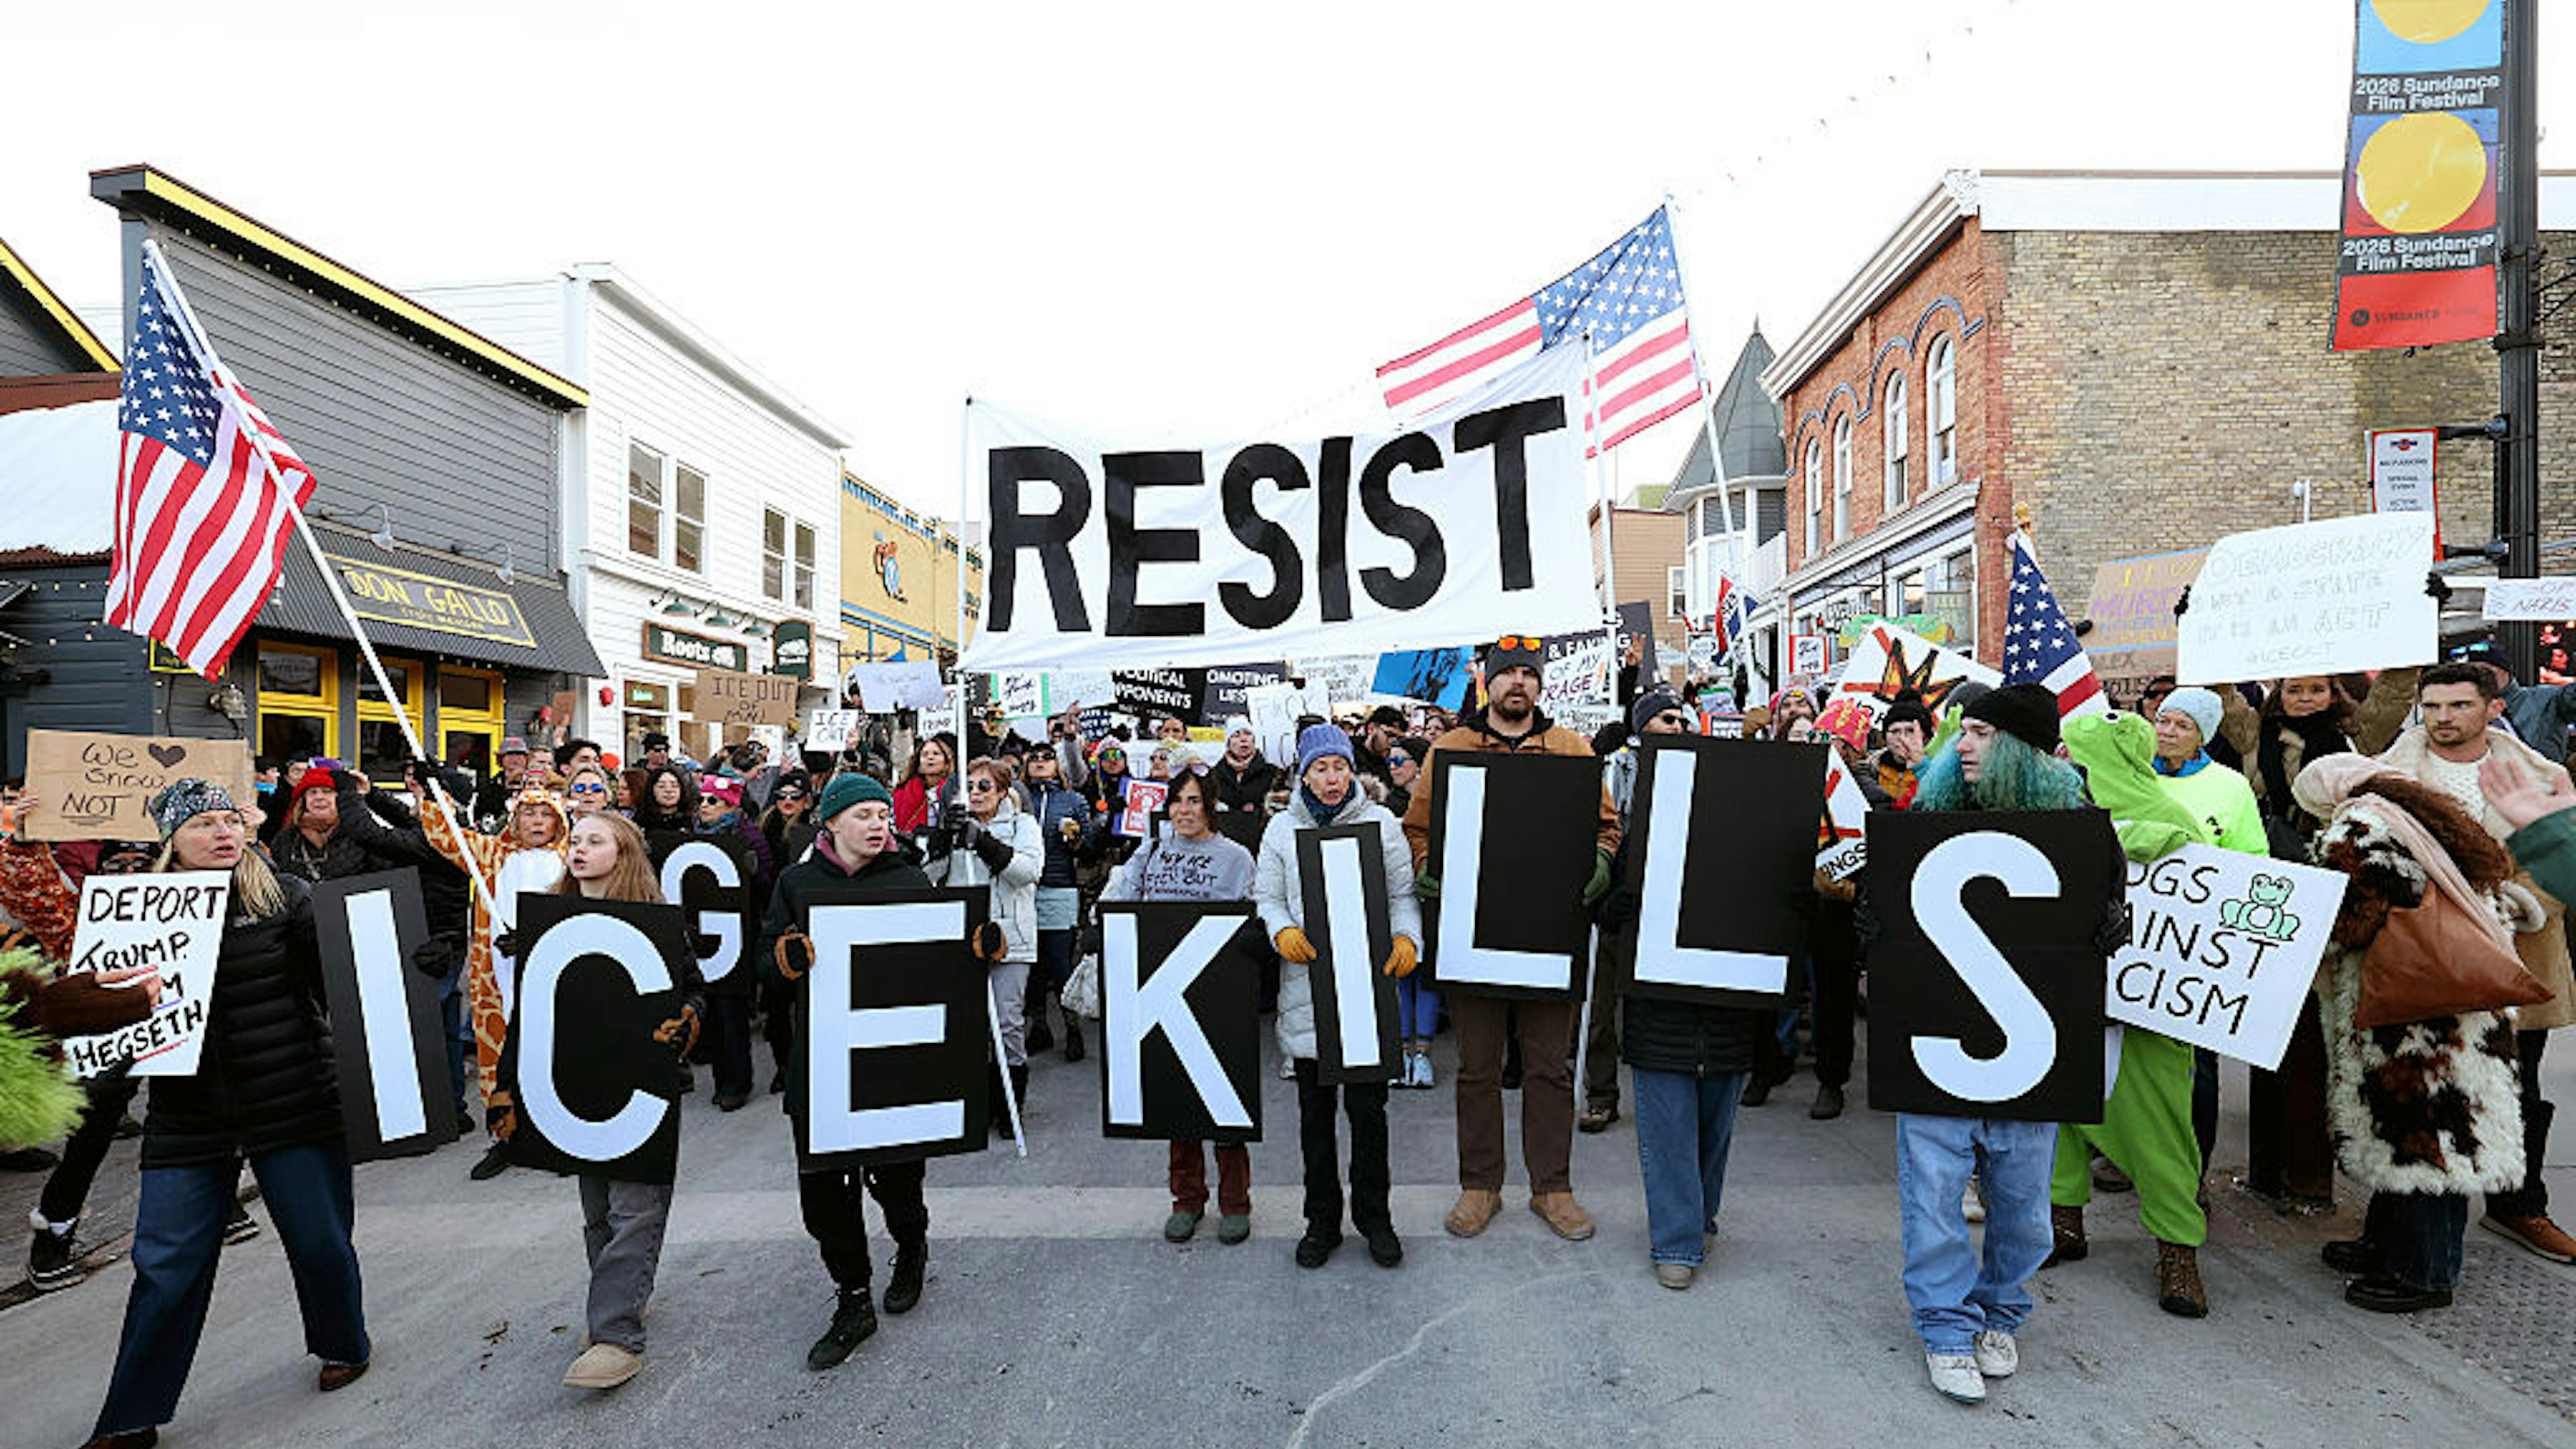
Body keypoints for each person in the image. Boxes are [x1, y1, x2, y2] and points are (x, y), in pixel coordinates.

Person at [84, 781, 372, 1448]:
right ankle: (131, 1414)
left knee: (320, 1242)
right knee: (164, 1265)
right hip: (188, 1117)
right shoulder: (132, 915)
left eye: (229, 821)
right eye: (202, 824)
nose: (222, 833)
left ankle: (343, 1344)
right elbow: (106, 1023)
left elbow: (345, 987)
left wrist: (405, 971)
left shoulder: (287, 898)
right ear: (170, 842)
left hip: (294, 1102)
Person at [1891, 684, 2123, 1403]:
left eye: (1983, 733)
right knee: (1932, 1197)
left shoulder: (2083, 829)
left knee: (2023, 1209)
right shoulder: (1927, 817)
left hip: (2032, 1053)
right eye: (1964, 730)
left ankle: (2000, 1313)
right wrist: (1879, 926)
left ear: (2022, 748)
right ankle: (1945, 1329)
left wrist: (2112, 922)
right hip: (1939, 1046)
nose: (1962, 744)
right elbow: (1889, 907)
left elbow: (2107, 910)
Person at [1402, 635, 1621, 1244]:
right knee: (1477, 1066)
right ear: (1488, 684)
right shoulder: (1449, 749)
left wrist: (1601, 861)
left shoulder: (1572, 747)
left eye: (1528, 673)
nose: (1518, 683)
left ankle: (1553, 1188)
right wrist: (1428, 867)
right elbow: (1417, 828)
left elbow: (1607, 826)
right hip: (1474, 930)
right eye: (1508, 674)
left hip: (1549, 932)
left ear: (1539, 685)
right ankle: (1481, 1185)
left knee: (1550, 1068)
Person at [2296, 754, 2532, 1311]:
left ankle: (2425, 1274)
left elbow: (2350, 918)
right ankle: (2385, 1243)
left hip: (2411, 1019)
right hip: (2457, 1008)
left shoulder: (2361, 827)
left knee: (2426, 1145)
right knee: (2412, 1134)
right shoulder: (2424, 820)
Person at [2367, 662, 2576, 1263]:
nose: (2443, 718)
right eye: (2432, 707)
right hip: (2423, 959)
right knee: (2412, 1090)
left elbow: (2558, 861)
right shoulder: (2392, 776)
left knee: (2518, 1091)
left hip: (2516, 959)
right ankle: (2391, 1232)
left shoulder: (2539, 774)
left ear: (2492, 708)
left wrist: (2518, 905)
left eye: (2458, 706)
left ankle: (2519, 1206)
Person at [757, 772, 953, 1369]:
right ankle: (852, 1299)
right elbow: (763, 960)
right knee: (825, 1193)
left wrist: (976, 947)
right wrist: (783, 961)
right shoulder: (796, 882)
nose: (877, 825)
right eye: (864, 814)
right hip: (821, 1062)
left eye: (884, 814)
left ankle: (911, 1244)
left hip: (892, 1058)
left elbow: (939, 961)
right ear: (832, 823)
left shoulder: (908, 878)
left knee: (898, 1183)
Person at [2053, 710, 2230, 1319]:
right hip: (2072, 994)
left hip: (2148, 1011)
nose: (2059, 760)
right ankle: (2062, 1221)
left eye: (2071, 752)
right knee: (2061, 1119)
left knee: (2161, 1129)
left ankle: (2178, 1250)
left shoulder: (2170, 819)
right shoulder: (2057, 818)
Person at [527, 811, 703, 1391]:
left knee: (635, 1212)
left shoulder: (657, 923)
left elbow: (695, 989)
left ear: (623, 853)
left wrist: (689, 1020)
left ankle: (616, 1334)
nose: (578, 849)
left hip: (642, 1090)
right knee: (598, 1212)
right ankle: (620, 1301)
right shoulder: (550, 922)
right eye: (573, 840)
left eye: (593, 840)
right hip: (581, 1089)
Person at [1256, 724, 1417, 1270]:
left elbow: (1401, 895)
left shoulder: (1381, 823)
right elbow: (1268, 897)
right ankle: (1321, 1221)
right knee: (1315, 1121)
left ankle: (1376, 1219)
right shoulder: (1281, 831)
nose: (1331, 778)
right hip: (1308, 996)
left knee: (1370, 1116)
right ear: (1303, 774)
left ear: (1353, 770)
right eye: (1320, 768)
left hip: (1367, 992)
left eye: (1340, 767)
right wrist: (1281, 930)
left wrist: (1406, 938)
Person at [1104, 768, 1259, 1243]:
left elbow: (1254, 905)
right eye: (1177, 802)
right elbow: (1122, 895)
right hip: (1160, 990)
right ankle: (1187, 1200)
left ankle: (1236, 1203)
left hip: (1217, 991)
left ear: (1211, 806)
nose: (1184, 811)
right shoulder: (1150, 850)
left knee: (1223, 1102)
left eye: (1194, 801)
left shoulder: (1235, 857)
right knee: (1177, 1103)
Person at [419, 780, 570, 1181]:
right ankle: (507, 1139)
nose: (537, 822)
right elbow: (447, 838)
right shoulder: (492, 854)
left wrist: (536, 937)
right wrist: (438, 792)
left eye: (545, 815)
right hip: (498, 976)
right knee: (503, 1055)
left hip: (555, 974)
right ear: (514, 820)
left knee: (556, 1051)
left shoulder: (573, 858)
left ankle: (564, 1138)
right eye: (528, 814)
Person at [1580, 687, 1694, 1131]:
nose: (1678, 728)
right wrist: (1605, 897)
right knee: (1603, 1008)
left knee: (1662, 1012)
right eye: (1668, 720)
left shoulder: (1690, 769)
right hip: (1618, 901)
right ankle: (1601, 1094)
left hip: (1669, 906)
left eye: (1682, 721)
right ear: (1642, 725)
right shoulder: (1613, 770)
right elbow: (1595, 833)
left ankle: (1664, 1102)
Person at [926, 756, 1043, 1136]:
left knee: (1007, 1022)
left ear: (1003, 791)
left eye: (984, 786)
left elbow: (1027, 873)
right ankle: (974, 1100)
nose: (975, 794)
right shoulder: (955, 824)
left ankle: (1010, 1103)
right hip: (964, 939)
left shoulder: (1024, 825)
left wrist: (985, 843)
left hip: (1010, 938)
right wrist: (942, 841)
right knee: (968, 1024)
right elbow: (929, 881)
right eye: (969, 786)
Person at [694, 777, 777, 1112]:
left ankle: (737, 1083)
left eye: (712, 801)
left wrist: (754, 873)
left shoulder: (750, 838)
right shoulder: (694, 836)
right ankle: (720, 1079)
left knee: (730, 1012)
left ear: (731, 806)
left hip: (738, 936)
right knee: (712, 1012)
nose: (703, 806)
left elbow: (768, 887)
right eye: (701, 799)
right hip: (703, 936)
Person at [1019, 743, 1093, 1064]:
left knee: (1060, 962)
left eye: (1046, 757)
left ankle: (1073, 1028)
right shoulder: (1018, 799)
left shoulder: (1073, 800)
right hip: (1023, 889)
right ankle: (1040, 1028)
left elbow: (1090, 848)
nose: (1039, 762)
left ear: (1057, 764)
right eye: (1033, 758)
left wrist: (1076, 840)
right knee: (1032, 966)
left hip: (1059, 887)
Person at [1210, 715, 1281, 816]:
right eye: (1236, 735)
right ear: (1228, 743)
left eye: (1248, 734)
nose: (1243, 739)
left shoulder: (1272, 773)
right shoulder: (1214, 775)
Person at [1875, 694, 1935, 808]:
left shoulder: (1938, 772)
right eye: (1895, 731)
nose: (1902, 738)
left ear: (1925, 737)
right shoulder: (1870, 771)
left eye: (1910, 731)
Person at [893, 734, 958, 835]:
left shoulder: (957, 791)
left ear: (947, 763)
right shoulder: (902, 792)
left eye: (936, 754)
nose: (930, 758)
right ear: (918, 763)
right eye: (925, 755)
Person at [632, 763, 696, 835]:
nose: (669, 790)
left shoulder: (693, 822)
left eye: (674, 786)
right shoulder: (640, 823)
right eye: (662, 786)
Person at [1383, 735, 1430, 819]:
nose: (1392, 767)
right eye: (1390, 761)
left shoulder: (1437, 799)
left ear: (1419, 763)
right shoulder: (1389, 806)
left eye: (1399, 761)